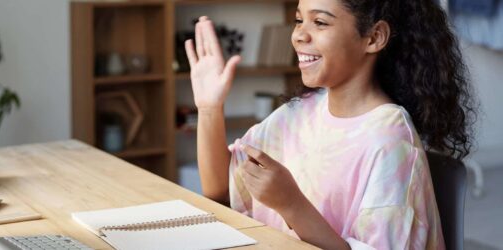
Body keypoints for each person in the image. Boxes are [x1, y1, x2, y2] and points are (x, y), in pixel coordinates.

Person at [184, 0, 476, 248]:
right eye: (299, 20)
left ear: (374, 37)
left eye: (320, 23)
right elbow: (220, 189)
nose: (299, 35)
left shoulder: (391, 143)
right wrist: (209, 108)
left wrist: (291, 205)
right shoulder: (297, 114)